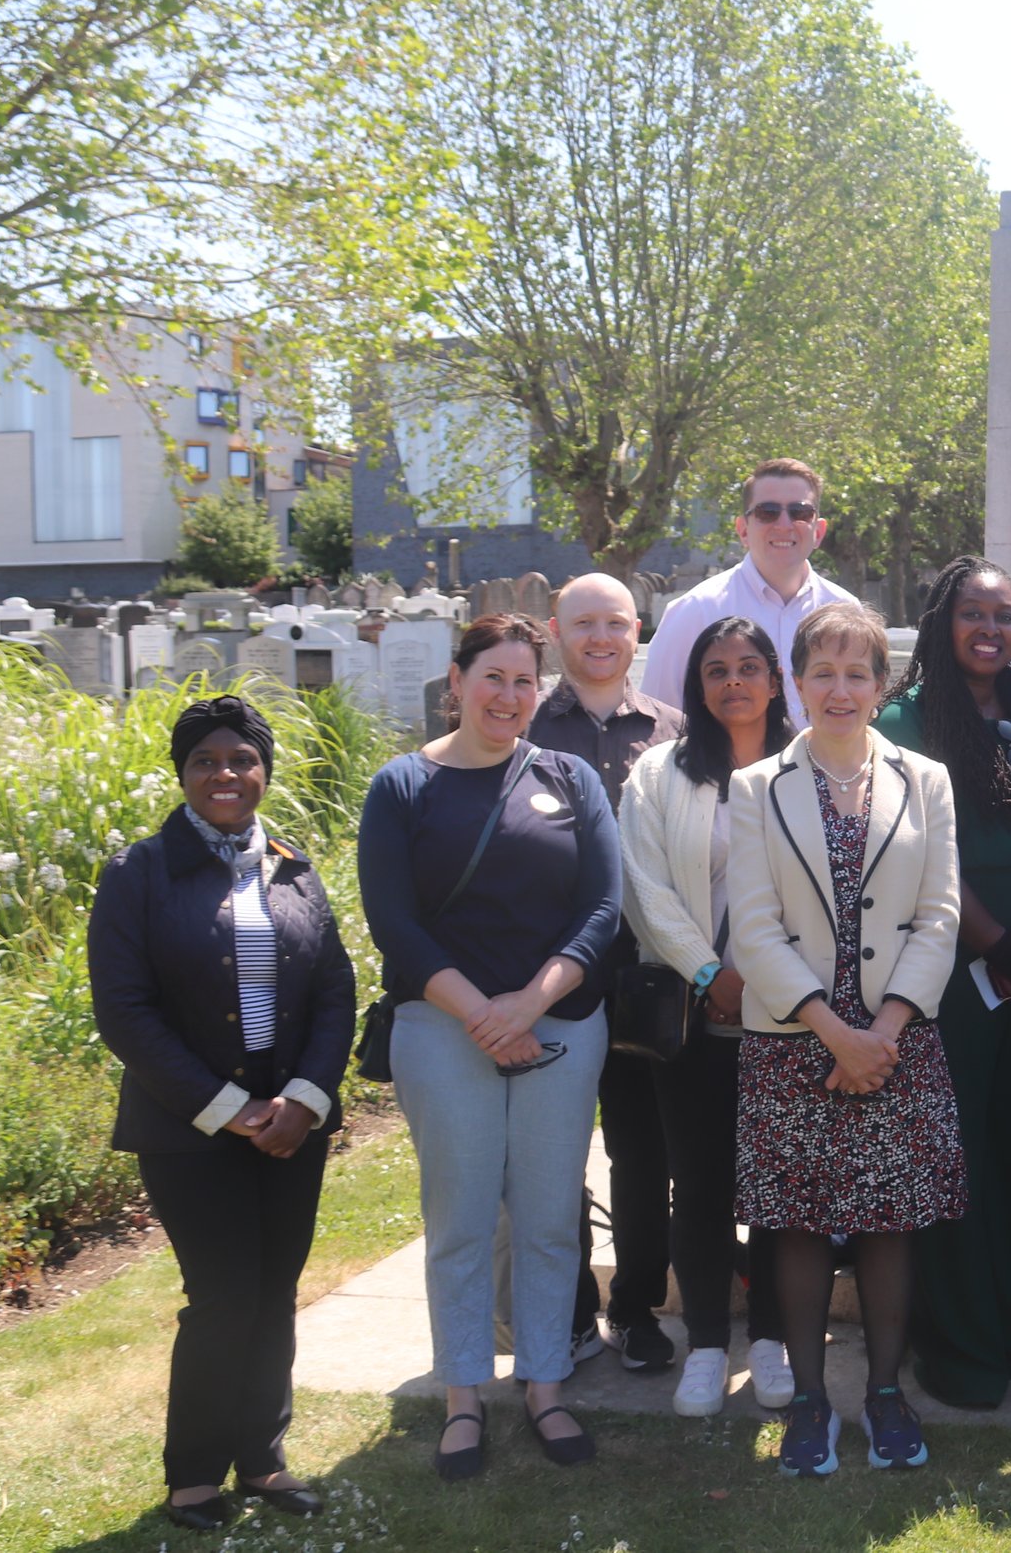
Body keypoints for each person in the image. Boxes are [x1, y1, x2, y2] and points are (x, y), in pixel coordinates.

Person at [360, 615, 620, 1479]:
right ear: (458, 681)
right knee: (461, 1218)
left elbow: (602, 907)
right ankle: (463, 1393)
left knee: (548, 1217)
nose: (508, 697)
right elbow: (393, 922)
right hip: (444, 1028)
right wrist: (482, 1014)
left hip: (559, 1026)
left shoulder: (570, 778)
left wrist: (532, 1001)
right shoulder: (402, 786)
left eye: (523, 682)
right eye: (493, 678)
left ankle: (545, 1382)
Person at [88, 696, 356, 1531]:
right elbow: (125, 1012)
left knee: (275, 1291)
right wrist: (233, 1109)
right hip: (189, 1130)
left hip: (291, 1127)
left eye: (242, 758)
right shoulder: (137, 873)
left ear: (264, 769)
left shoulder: (293, 867)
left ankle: (264, 1458)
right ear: (182, 774)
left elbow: (335, 991)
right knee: (223, 1295)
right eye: (205, 760)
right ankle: (195, 1474)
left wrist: (305, 1099)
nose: (225, 774)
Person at [727, 601, 965, 1476]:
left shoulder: (925, 779)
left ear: (880, 684)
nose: (839, 688)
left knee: (888, 1222)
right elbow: (754, 928)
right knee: (796, 1224)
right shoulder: (756, 787)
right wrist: (835, 1033)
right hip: (795, 1040)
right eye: (822, 671)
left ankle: (887, 1394)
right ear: (796, 682)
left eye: (856, 672)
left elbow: (939, 914)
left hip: (897, 1040)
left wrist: (882, 1031)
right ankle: (810, 1401)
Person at [874, 557, 1011, 1408]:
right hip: (953, 968)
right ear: (942, 622)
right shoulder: (907, 719)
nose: (990, 628)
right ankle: (960, 1347)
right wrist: (1010, 952)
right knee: (956, 1152)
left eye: (1004, 615)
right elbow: (925, 858)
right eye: (973, 613)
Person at [617, 616, 796, 1418]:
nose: (734, 681)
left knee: (779, 1183)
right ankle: (707, 1343)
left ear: (775, 680)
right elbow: (644, 887)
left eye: (749, 666)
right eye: (717, 669)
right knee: (699, 1184)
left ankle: (772, 1336)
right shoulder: (660, 773)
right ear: (697, 684)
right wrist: (708, 970)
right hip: (694, 1017)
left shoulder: (807, 767)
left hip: (788, 1014)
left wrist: (767, 980)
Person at [530, 572, 685, 1376]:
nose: (601, 637)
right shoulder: (521, 721)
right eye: (584, 622)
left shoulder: (672, 730)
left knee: (641, 1151)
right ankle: (565, 1311)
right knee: (551, 1153)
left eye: (616, 622)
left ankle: (634, 1307)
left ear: (638, 631)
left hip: (640, 978)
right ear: (556, 630)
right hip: (543, 978)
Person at [642, 458, 858, 717]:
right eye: (768, 512)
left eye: (800, 512)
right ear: (743, 530)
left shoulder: (847, 612)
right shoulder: (694, 612)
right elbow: (658, 720)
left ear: (818, 532)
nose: (784, 524)